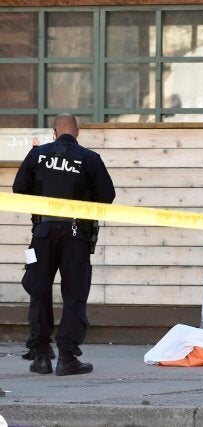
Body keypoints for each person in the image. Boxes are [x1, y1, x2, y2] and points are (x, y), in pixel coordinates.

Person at [13, 113, 115, 376]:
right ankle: (67, 358)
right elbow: (107, 196)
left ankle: (42, 356)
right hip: (75, 234)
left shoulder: (37, 155)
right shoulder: (90, 159)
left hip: (43, 233)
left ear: (54, 132)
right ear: (77, 132)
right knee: (74, 295)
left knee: (39, 291)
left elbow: (18, 189)